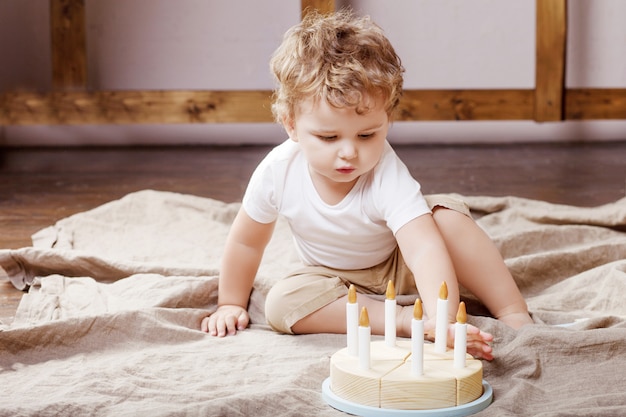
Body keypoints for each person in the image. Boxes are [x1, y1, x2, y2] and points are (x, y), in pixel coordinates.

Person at [200, 10, 533, 359]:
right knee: (281, 303)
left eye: (367, 134)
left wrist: (444, 320)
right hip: (331, 282)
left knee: (447, 218)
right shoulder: (277, 171)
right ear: (291, 125)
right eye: (328, 137)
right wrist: (229, 303)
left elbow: (423, 249)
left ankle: (511, 309)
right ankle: (404, 319)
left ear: (387, 120)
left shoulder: (386, 171)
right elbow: (246, 243)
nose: (349, 153)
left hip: (398, 265)